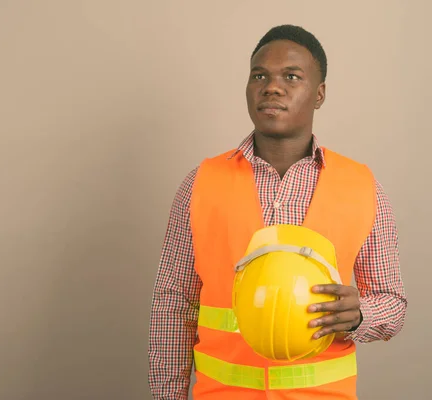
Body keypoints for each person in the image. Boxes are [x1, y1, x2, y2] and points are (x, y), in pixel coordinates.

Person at [147, 24, 407, 400]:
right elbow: (173, 305)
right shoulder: (200, 183)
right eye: (260, 76)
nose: (272, 86)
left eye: (291, 76)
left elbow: (392, 305)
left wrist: (361, 314)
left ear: (318, 95)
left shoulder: (362, 186)